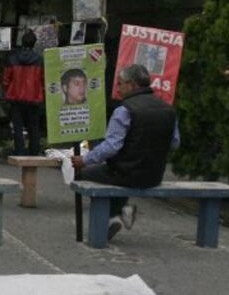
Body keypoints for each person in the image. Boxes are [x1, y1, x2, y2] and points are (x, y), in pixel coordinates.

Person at [72, 64, 180, 240]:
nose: (118, 88)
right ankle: (120, 212)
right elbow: (174, 143)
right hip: (155, 175)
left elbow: (111, 147)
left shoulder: (125, 110)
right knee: (114, 174)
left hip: (126, 172)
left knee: (86, 174)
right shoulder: (168, 109)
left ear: (132, 84)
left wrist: (85, 159)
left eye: (120, 83)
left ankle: (112, 216)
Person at [3, 29, 45, 156]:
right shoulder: (39, 59)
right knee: (34, 127)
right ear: (34, 43)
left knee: (18, 128)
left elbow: (5, 79)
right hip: (34, 98)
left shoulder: (12, 58)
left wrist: (8, 92)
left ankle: (19, 152)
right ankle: (34, 152)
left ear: (22, 42)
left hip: (16, 98)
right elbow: (43, 79)